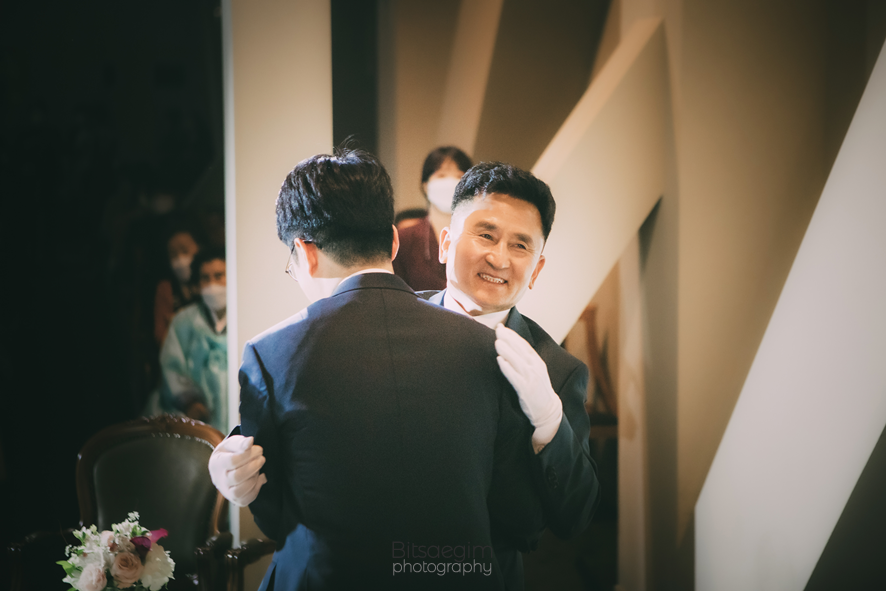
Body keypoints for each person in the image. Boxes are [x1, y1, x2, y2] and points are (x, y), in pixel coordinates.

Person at [211, 161, 601, 590]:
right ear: (446, 244)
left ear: (537, 269)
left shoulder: (557, 371)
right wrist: (233, 456)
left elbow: (575, 516)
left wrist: (549, 422)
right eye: (486, 235)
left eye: (520, 245)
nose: (499, 257)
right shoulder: (375, 322)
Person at [158, 246, 228, 431]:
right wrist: (189, 402)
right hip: (193, 418)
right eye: (205, 278)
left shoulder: (245, 317)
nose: (212, 284)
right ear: (197, 285)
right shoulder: (183, 321)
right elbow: (171, 367)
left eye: (219, 276)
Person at [392, 146, 472, 290]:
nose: (450, 183)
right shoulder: (405, 239)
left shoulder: (479, 238)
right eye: (441, 175)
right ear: (425, 185)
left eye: (459, 176)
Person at [154, 227, 201, 346]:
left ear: (199, 248)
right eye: (173, 254)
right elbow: (160, 334)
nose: (180, 258)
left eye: (185, 250)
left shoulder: (210, 283)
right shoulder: (165, 288)